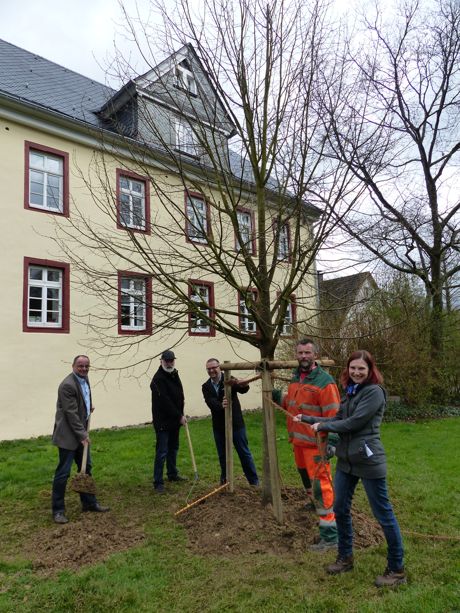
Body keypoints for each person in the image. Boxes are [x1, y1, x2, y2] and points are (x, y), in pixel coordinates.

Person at [294, 350, 406, 587]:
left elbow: (354, 423)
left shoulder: (374, 393)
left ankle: (396, 569)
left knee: (383, 514)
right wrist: (307, 419)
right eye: (353, 368)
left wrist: (323, 425)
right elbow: (338, 417)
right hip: (347, 461)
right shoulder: (350, 392)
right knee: (340, 508)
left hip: (368, 461)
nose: (356, 372)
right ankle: (345, 557)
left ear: (370, 370)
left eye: (361, 369)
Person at [272, 338, 340, 550]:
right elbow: (291, 404)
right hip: (299, 442)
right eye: (300, 353)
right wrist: (272, 393)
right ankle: (314, 506)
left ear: (315, 356)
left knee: (322, 487)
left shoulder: (324, 382)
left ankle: (330, 536)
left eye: (307, 353)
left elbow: (335, 414)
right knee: (305, 477)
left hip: (316, 445)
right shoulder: (295, 379)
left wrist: (333, 442)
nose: (303, 356)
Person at [51, 355, 110, 524]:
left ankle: (89, 503)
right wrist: (83, 435)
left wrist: (88, 405)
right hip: (68, 434)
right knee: (63, 473)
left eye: (86, 366)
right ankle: (58, 511)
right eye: (80, 366)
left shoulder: (84, 379)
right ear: (73, 366)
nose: (84, 369)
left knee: (86, 468)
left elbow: (82, 400)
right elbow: (71, 413)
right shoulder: (67, 385)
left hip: (80, 431)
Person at [202, 358, 259, 486]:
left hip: (236, 424)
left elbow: (243, 389)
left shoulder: (228, 378)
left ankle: (254, 482)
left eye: (214, 368)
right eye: (209, 369)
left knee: (244, 453)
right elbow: (210, 402)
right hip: (219, 427)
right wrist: (221, 405)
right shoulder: (206, 386)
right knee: (223, 455)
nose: (211, 371)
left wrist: (244, 384)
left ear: (220, 368)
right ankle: (225, 481)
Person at [150, 350, 187, 493]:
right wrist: (179, 415)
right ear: (161, 361)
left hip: (175, 421)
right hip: (163, 422)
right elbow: (165, 401)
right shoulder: (158, 379)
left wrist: (181, 414)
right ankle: (158, 482)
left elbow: (179, 395)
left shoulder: (174, 374)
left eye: (171, 360)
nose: (169, 363)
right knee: (162, 451)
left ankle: (172, 474)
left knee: (173, 448)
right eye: (167, 361)